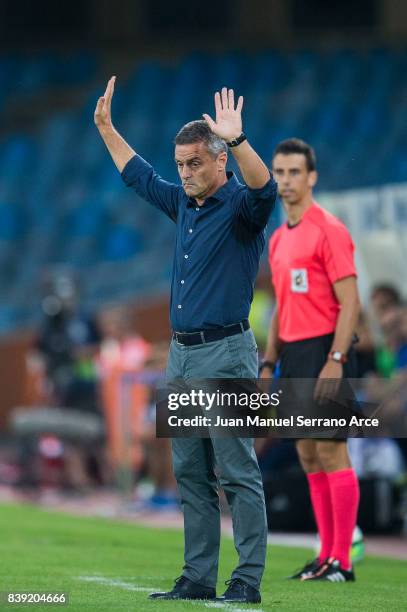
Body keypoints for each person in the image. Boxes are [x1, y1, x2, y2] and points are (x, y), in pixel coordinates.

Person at [95, 77, 276, 603]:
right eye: (181, 165)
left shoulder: (243, 209)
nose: (185, 173)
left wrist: (239, 141)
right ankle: (197, 578)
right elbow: (139, 176)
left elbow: (265, 189)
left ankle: (246, 581)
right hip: (182, 353)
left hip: (226, 349)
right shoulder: (183, 206)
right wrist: (107, 128)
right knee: (191, 473)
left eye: (196, 163)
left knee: (237, 469)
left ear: (220, 162)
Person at [261, 138, 361, 582]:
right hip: (295, 354)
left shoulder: (329, 229)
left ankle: (343, 560)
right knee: (306, 454)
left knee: (330, 450)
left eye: (294, 172)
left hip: (326, 349)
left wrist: (336, 359)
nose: (285, 181)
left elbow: (351, 301)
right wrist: (268, 363)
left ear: (312, 177)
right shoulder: (279, 238)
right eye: (279, 172)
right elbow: (281, 305)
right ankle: (325, 556)